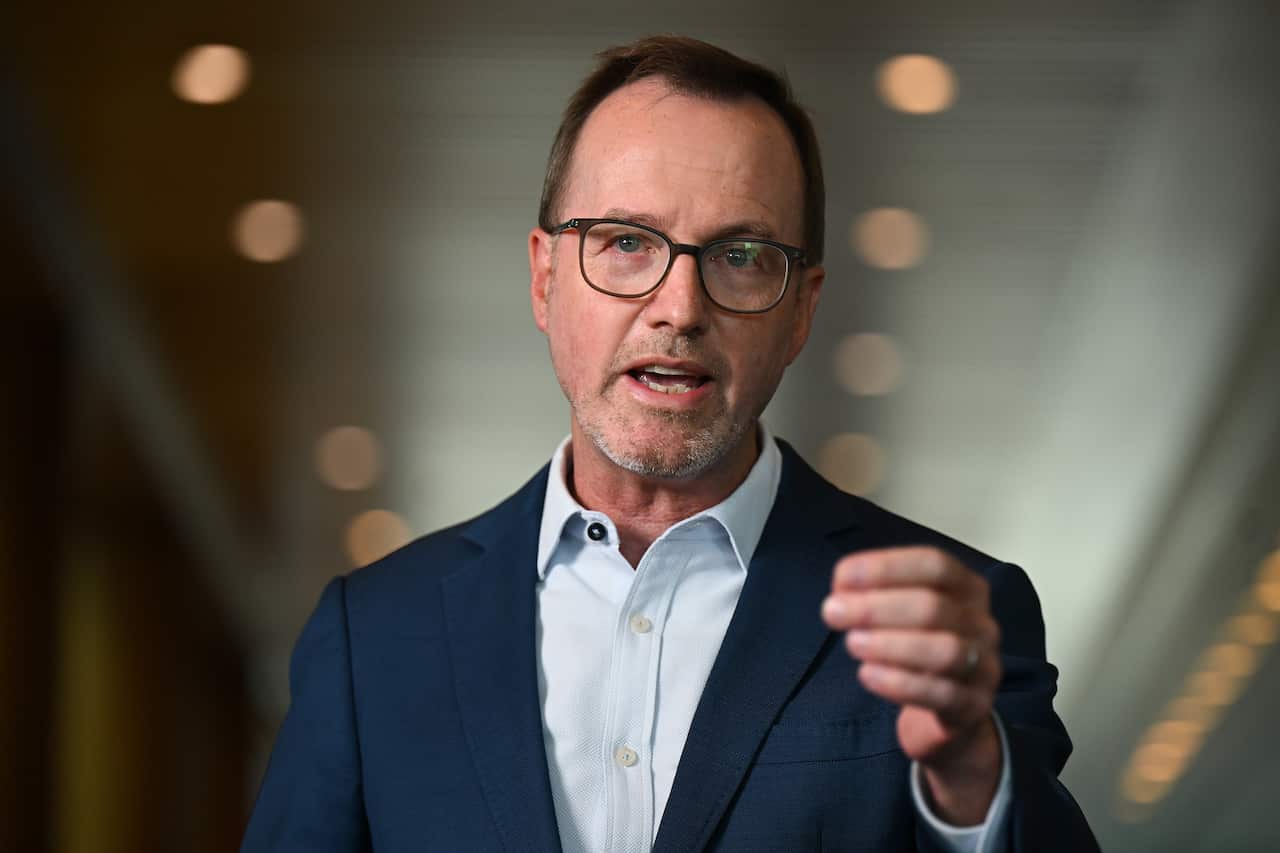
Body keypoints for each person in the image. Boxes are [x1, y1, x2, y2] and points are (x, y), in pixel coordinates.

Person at [242, 35, 1098, 853]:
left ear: (802, 308)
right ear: (545, 277)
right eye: (625, 243)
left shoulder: (955, 620)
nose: (680, 307)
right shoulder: (376, 638)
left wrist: (970, 780)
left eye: (740, 255)